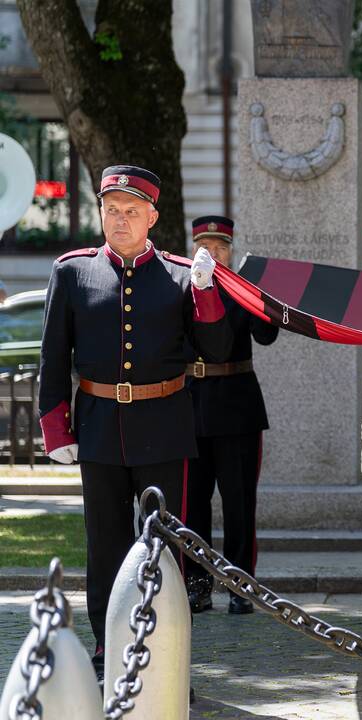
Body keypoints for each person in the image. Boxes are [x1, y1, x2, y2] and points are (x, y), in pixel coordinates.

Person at [37, 165, 232, 682]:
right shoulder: (73, 272)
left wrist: (206, 293)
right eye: (110, 210)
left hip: (164, 428)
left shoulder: (176, 273)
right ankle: (107, 651)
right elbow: (53, 357)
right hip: (99, 426)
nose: (119, 220)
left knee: (164, 549)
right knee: (104, 547)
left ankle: (164, 658)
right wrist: (56, 428)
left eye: (130, 212)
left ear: (152, 216)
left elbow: (213, 350)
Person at [184, 215, 279, 615]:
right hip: (191, 407)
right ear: (194, 249)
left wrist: (266, 299)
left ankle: (241, 587)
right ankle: (198, 584)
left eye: (221, 246)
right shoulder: (181, 287)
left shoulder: (243, 289)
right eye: (206, 245)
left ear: (231, 250)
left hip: (237, 406)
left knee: (240, 503)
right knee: (192, 505)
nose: (213, 253)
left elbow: (267, 335)